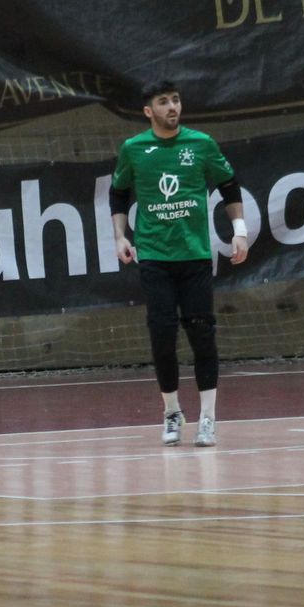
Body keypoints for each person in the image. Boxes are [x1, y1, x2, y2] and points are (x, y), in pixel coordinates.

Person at [110, 80, 247, 448]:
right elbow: (120, 192)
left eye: (175, 100)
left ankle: (208, 418)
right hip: (154, 257)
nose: (172, 107)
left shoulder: (201, 144)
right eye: (163, 102)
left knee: (202, 334)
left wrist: (240, 230)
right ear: (148, 111)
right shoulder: (134, 149)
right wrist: (120, 236)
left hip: (195, 256)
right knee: (162, 335)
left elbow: (229, 184)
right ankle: (172, 411)